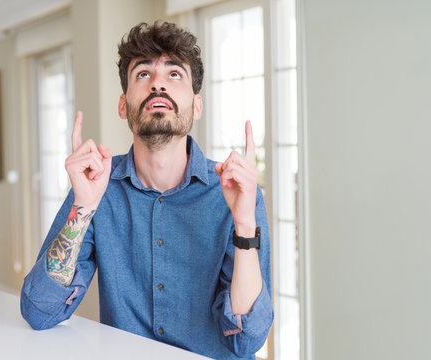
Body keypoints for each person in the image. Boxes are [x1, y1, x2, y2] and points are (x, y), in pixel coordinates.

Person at [20, 21, 273, 359]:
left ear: (196, 106)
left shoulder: (236, 194)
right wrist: (82, 207)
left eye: (174, 74)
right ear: (124, 105)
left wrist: (244, 225)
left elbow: (246, 340)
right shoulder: (96, 188)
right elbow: (39, 311)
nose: (157, 84)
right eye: (142, 74)